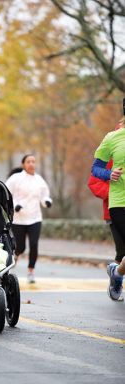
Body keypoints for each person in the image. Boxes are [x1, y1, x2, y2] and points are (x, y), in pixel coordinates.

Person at [91, 110, 125, 301]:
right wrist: (110, 175)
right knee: (122, 251)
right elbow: (94, 174)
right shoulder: (113, 141)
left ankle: (117, 273)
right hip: (118, 205)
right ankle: (118, 275)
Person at [5, 154, 52, 283]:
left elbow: (44, 195)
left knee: (34, 244)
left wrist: (46, 201)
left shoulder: (39, 180)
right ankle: (17, 254)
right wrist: (15, 205)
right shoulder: (16, 178)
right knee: (20, 247)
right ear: (23, 164)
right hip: (19, 219)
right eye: (28, 161)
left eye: (33, 161)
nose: (31, 164)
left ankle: (31, 271)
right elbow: (6, 194)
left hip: (35, 217)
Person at [88, 160, 125, 266]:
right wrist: (115, 193)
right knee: (122, 252)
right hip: (114, 211)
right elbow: (94, 183)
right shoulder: (108, 158)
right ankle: (115, 279)